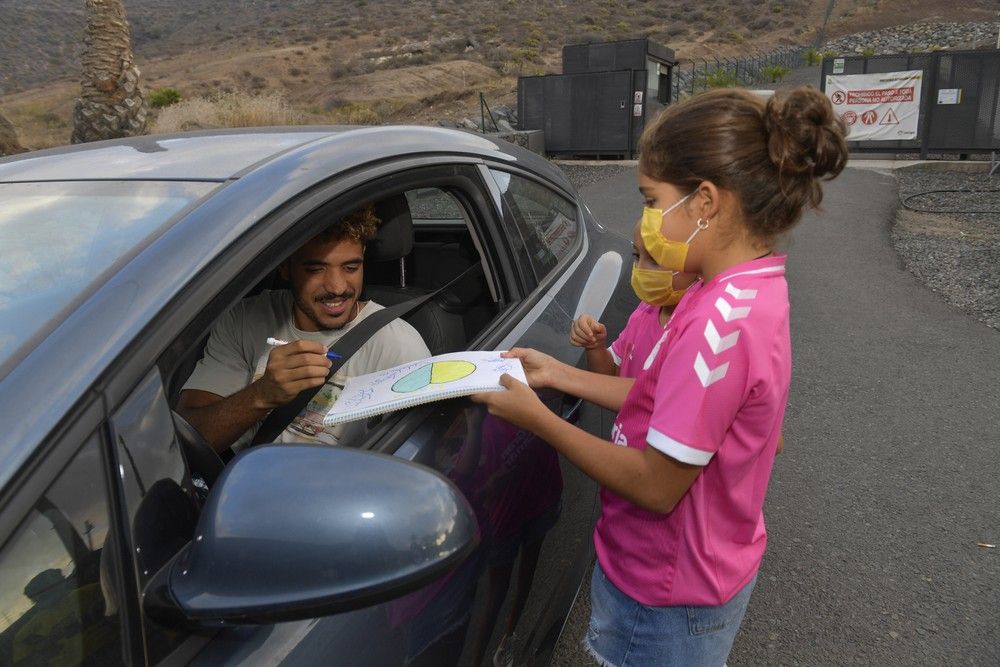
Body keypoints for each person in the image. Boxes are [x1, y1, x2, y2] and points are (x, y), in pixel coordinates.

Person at [473, 86, 846, 666]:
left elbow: (656, 483)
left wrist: (538, 420)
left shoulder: (718, 324)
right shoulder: (730, 291)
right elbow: (656, 397)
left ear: (704, 203)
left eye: (652, 200)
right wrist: (560, 376)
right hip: (679, 574)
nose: (646, 221)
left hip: (666, 594)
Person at [178, 205, 430, 452]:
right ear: (285, 267)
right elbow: (188, 440)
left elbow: (421, 453)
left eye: (351, 267)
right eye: (315, 270)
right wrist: (262, 395)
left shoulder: (398, 345)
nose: (337, 287)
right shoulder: (244, 319)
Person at [570, 221, 698, 378]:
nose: (640, 268)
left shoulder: (696, 331)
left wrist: (558, 375)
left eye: (655, 260)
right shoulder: (646, 309)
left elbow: (648, 397)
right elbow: (611, 374)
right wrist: (595, 346)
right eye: (637, 256)